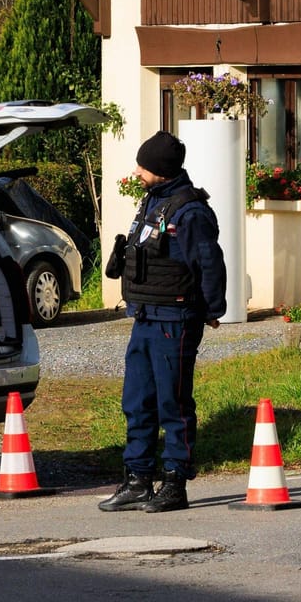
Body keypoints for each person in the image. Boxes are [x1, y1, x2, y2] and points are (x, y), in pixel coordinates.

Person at [98, 129, 227, 514]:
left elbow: (209, 263)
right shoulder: (153, 202)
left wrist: (212, 310)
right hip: (144, 316)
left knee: (174, 403)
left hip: (175, 318)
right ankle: (137, 480)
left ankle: (174, 482)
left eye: (144, 165)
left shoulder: (191, 212)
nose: (137, 171)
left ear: (162, 169)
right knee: (137, 401)